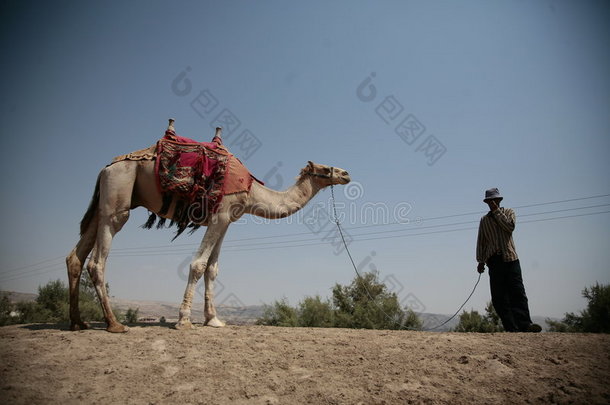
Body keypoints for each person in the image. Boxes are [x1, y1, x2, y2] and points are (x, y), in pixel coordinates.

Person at [476, 188, 541, 333]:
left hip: (511, 259)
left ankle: (526, 324)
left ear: (499, 201)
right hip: (494, 261)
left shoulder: (509, 213)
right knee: (499, 297)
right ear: (486, 202)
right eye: (489, 201)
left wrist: (497, 212)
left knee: (517, 292)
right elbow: (482, 241)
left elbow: (510, 227)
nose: (492, 203)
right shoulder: (484, 220)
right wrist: (480, 261)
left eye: (494, 200)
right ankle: (511, 327)